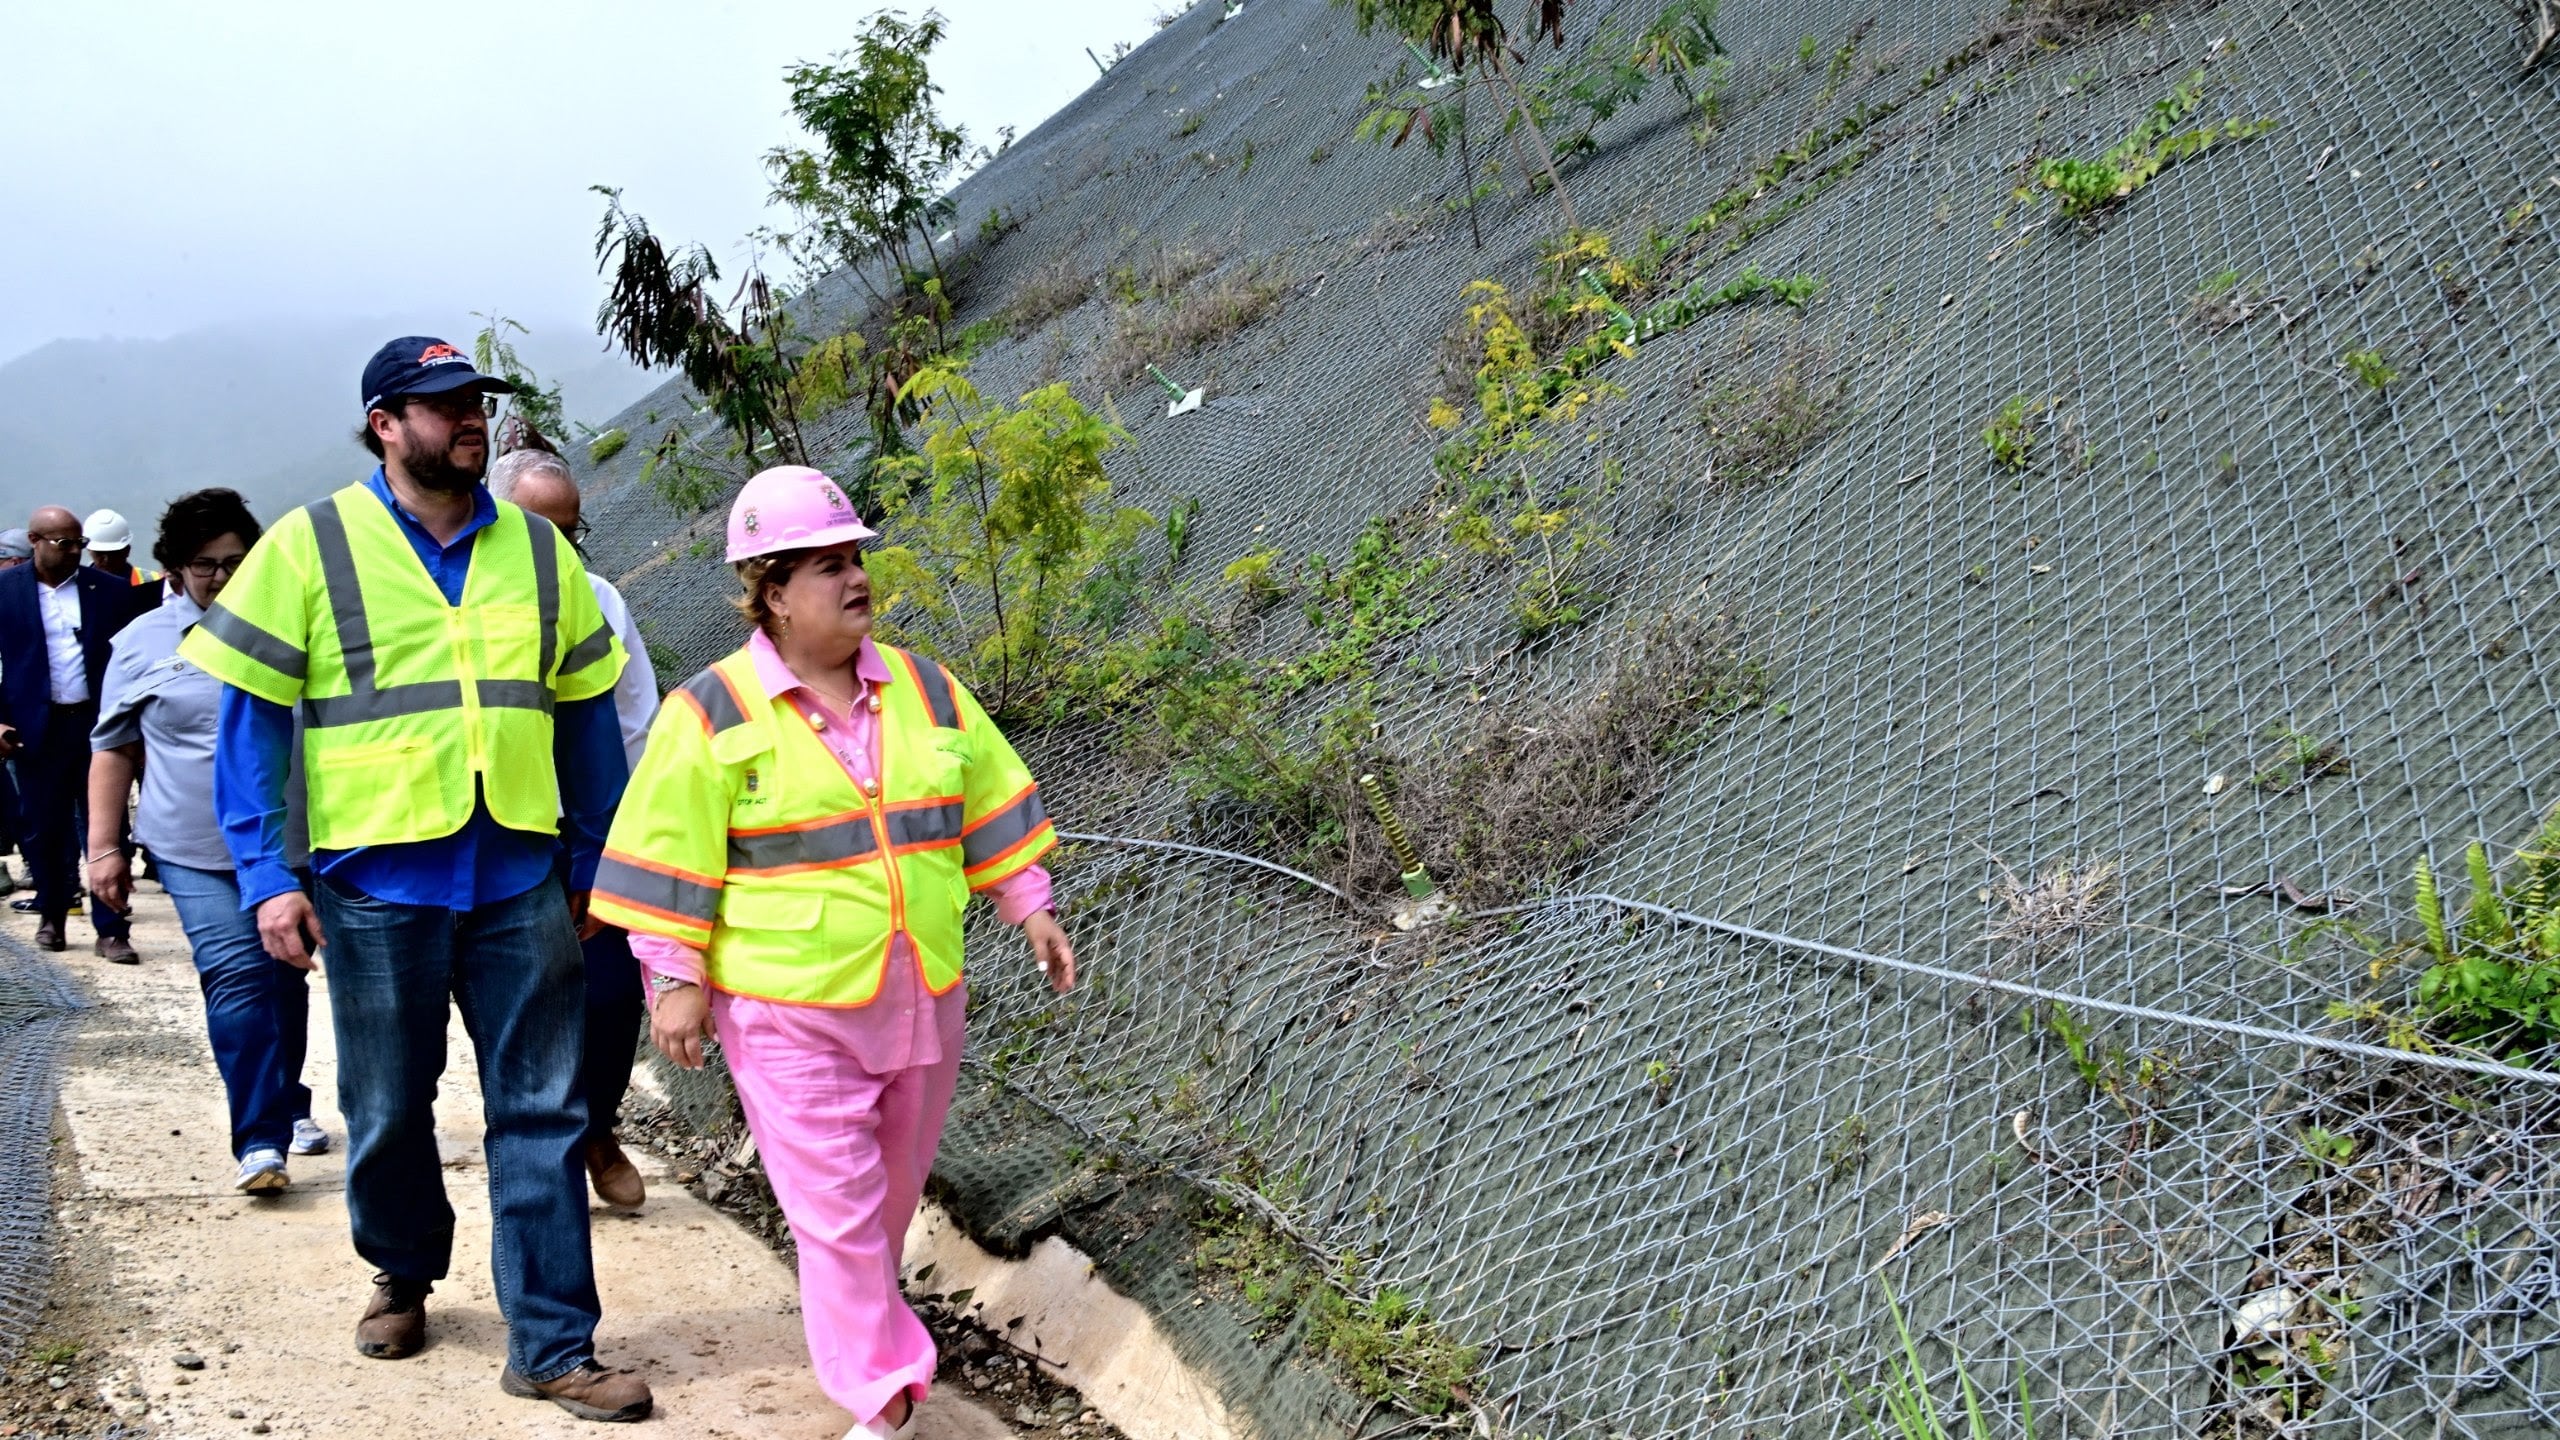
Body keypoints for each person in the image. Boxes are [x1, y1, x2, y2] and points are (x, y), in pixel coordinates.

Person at [179, 336, 651, 1423]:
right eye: (441, 407)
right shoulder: (309, 546)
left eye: (475, 404)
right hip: (374, 882)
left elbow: (585, 713)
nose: (468, 422)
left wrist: (594, 856)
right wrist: (266, 876)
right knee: (388, 1109)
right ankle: (401, 1269)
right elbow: (249, 728)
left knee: (542, 1110)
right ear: (386, 424)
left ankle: (552, 1343)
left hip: (520, 875)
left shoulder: (539, 552)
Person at [591, 464, 1078, 1440]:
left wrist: (1029, 903)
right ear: (770, 591)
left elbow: (985, 802)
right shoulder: (711, 713)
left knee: (886, 1202)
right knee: (839, 1211)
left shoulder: (925, 690)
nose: (855, 580)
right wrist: (674, 983)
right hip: (786, 1011)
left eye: (855, 559)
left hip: (920, 992)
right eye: (826, 564)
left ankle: (872, 1344)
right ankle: (885, 1393)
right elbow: (666, 860)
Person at [88, 489, 330, 1192]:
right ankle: (260, 1141)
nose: (222, 577)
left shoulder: (298, 629)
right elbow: (112, 749)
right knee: (236, 978)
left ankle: (287, 1103)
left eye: (235, 561)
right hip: (193, 848)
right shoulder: (139, 647)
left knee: (286, 980)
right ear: (172, 568)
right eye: (205, 565)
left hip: (290, 844)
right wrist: (105, 848)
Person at [487, 446, 658, 1211]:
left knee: (615, 993)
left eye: (569, 529)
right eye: (536, 527)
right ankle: (543, 1153)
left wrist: (619, 838)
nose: (556, 547)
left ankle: (597, 1127)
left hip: (590, 830)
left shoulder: (599, 601)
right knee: (521, 1003)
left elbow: (634, 723)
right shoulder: (466, 606)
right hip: (499, 835)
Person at [0, 506, 145, 958]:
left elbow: (132, 660)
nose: (73, 552)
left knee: (108, 828)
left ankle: (112, 929)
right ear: (34, 541)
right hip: (35, 730)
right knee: (45, 828)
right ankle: (53, 916)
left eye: (77, 544)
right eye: (63, 543)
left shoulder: (109, 592)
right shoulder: (6, 592)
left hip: (98, 725)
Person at [84, 509, 164, 589]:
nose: (106, 560)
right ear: (89, 550)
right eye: (100, 554)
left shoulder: (154, 582)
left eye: (113, 554)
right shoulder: (79, 582)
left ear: (127, 551)